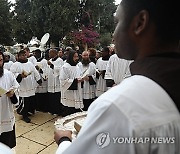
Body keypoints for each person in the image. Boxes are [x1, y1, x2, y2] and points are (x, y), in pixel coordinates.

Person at [54, 0, 180, 153]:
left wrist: (64, 140)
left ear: (140, 23)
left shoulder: (118, 106)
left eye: (117, 22)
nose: (113, 36)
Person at [10, 50, 42, 123]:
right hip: (22, 86)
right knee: (25, 102)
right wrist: (20, 76)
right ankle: (24, 115)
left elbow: (35, 72)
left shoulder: (30, 63)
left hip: (30, 86)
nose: (24, 56)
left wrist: (38, 79)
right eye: (22, 55)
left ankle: (28, 111)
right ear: (18, 56)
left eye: (25, 55)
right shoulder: (15, 65)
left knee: (30, 100)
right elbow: (12, 74)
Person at [0, 52, 19, 149]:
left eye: (0, 60)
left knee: (6, 145)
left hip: (6, 113)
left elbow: (16, 88)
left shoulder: (8, 74)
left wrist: (12, 94)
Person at [60, 50, 84, 115]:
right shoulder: (65, 67)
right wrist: (76, 81)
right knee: (69, 111)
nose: (77, 58)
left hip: (77, 91)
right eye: (75, 57)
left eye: (77, 57)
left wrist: (83, 78)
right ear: (70, 57)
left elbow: (80, 75)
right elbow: (63, 80)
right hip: (69, 93)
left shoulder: (77, 66)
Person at [47, 48, 64, 115]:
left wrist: (52, 65)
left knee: (56, 98)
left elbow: (61, 70)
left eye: (50, 53)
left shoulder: (60, 60)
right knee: (51, 97)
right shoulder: (50, 60)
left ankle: (57, 111)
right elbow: (48, 70)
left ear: (54, 53)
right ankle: (52, 110)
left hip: (57, 81)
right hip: (51, 81)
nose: (49, 54)